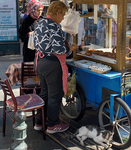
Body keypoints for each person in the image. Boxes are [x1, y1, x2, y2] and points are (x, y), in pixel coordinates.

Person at [33, 1, 78, 134]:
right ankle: (53, 124)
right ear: (57, 12)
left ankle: (39, 122)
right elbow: (59, 49)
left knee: (45, 93)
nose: (63, 18)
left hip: (40, 62)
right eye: (63, 15)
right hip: (52, 63)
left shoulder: (40, 23)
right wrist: (71, 47)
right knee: (55, 95)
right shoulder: (54, 26)